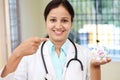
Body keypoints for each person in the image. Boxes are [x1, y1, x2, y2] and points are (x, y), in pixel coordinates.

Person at [0, 0, 111, 80]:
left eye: (64, 20)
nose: (58, 26)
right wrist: (17, 53)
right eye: (53, 20)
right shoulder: (29, 55)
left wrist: (95, 67)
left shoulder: (85, 54)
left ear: (71, 23)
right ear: (46, 22)